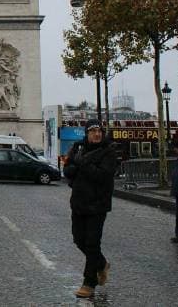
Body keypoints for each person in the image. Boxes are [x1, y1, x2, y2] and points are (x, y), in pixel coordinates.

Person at [63, 119, 118, 299]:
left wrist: (82, 164)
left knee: (92, 244)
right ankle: (101, 264)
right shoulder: (78, 149)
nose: (97, 134)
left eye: (99, 131)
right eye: (93, 131)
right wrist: (75, 165)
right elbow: (68, 170)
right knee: (79, 240)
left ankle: (89, 283)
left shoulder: (109, 152)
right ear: (87, 133)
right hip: (78, 202)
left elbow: (102, 176)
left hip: (97, 204)